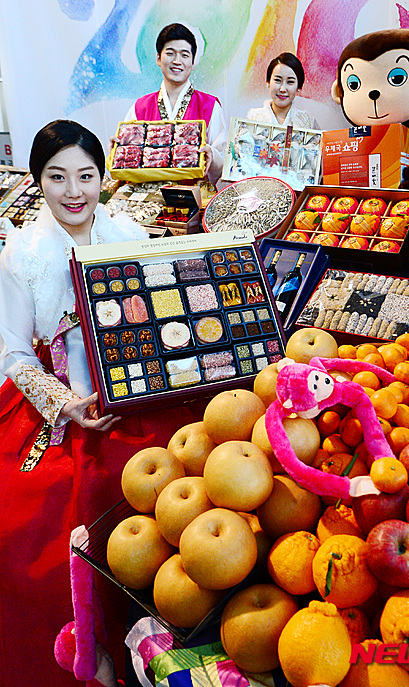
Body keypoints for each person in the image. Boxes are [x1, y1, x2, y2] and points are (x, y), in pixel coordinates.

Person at [0, 120, 205, 686]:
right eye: (57, 177)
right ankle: (85, 652)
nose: (74, 192)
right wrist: (64, 403)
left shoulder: (129, 235)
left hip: (138, 402)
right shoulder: (22, 253)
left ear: (103, 177)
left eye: (86, 176)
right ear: (37, 180)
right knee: (29, 528)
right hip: (62, 408)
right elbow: (13, 353)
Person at [123, 23, 227, 186]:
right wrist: (120, 148)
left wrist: (211, 155)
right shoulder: (140, 107)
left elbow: (223, 158)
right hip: (147, 197)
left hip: (194, 196)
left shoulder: (209, 106)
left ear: (193, 62)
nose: (177, 61)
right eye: (170, 53)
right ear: (158, 58)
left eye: (184, 55)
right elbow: (129, 157)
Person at [247, 52, 320, 129]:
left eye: (290, 82)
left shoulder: (308, 122)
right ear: (268, 82)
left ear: (299, 86)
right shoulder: (253, 118)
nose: (282, 89)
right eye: (277, 80)